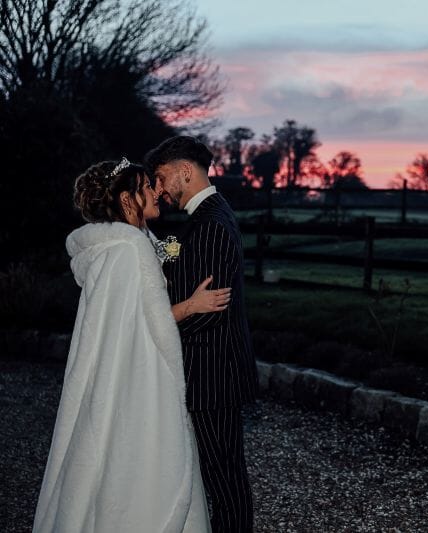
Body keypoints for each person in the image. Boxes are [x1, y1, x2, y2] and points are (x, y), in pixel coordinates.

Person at [33, 158, 231, 532]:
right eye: (146, 187)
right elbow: (145, 321)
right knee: (147, 459)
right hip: (140, 378)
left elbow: (127, 317)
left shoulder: (117, 246)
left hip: (122, 374)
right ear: (127, 200)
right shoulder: (129, 249)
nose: (157, 191)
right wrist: (192, 306)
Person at [145, 136, 258, 533]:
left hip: (212, 373)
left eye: (161, 178)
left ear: (185, 171)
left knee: (224, 479)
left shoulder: (209, 224)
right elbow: (191, 283)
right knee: (222, 474)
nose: (159, 189)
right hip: (215, 369)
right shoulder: (209, 216)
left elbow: (210, 309)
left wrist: (154, 326)